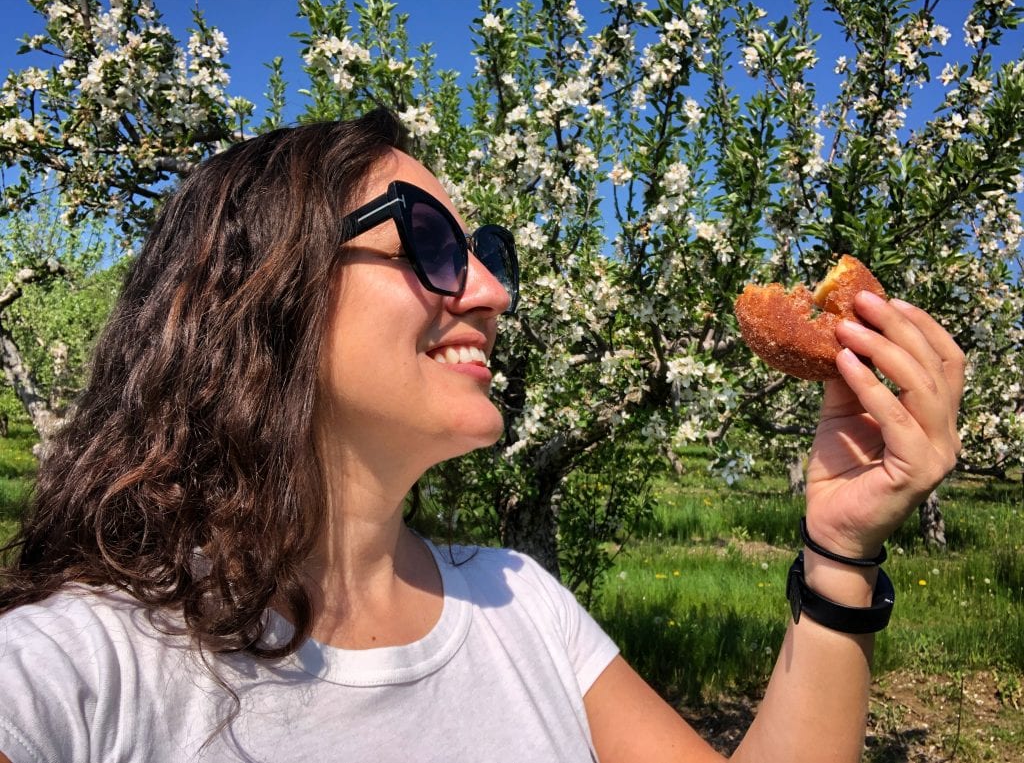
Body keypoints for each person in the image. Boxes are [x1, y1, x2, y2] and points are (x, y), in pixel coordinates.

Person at [0, 108, 963, 763]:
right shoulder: (83, 668)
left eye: (487, 254)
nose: (493, 293)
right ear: (257, 292)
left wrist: (840, 547)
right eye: (427, 241)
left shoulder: (518, 604)